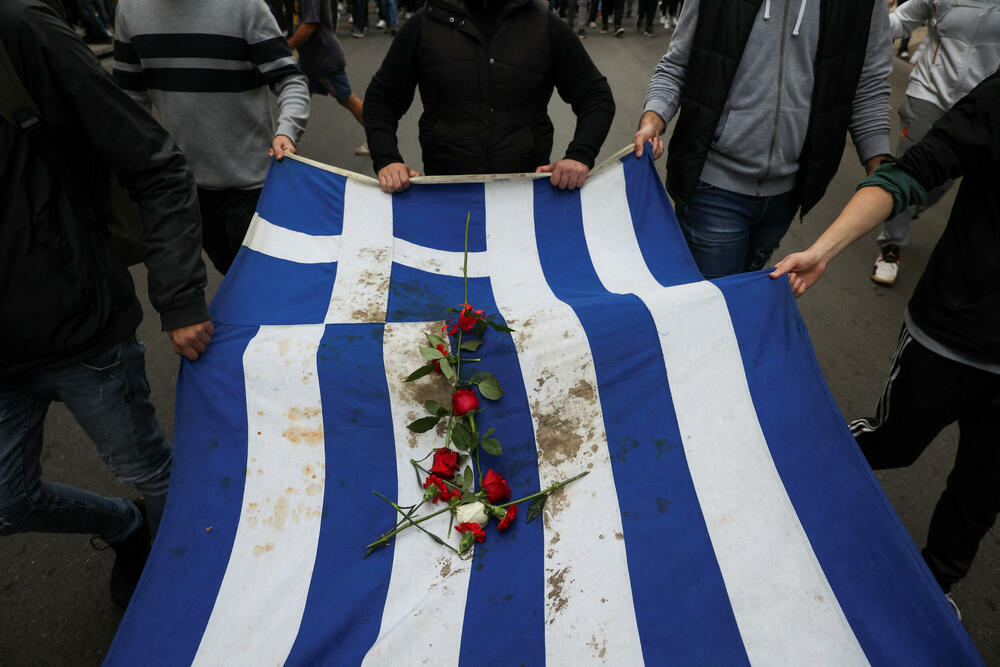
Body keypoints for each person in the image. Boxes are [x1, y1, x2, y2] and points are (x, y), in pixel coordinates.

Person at [0, 0, 213, 608]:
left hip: (81, 333)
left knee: (154, 473)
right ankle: (127, 527)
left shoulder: (20, 32)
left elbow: (156, 164)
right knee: (7, 502)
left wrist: (178, 298)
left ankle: (196, 594)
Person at [770, 70, 1000, 616]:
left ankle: (933, 589)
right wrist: (823, 249)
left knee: (980, 494)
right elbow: (915, 170)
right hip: (950, 334)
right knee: (894, 443)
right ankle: (795, 461)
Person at [634, 0, 893, 279]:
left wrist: (880, 170)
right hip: (713, 184)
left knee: (743, 300)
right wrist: (653, 118)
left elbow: (869, 85)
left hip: (787, 194)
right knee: (716, 308)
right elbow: (677, 65)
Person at [113, 0, 310, 275]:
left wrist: (286, 132)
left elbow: (291, 80)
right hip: (186, 190)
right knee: (231, 276)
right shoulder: (130, 9)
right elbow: (129, 102)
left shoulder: (246, 6)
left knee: (267, 285)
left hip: (254, 188)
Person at [363, 0, 616, 194]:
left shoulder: (544, 26)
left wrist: (579, 156)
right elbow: (382, 99)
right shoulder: (426, 24)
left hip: (524, 195)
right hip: (446, 192)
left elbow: (595, 95)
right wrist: (387, 160)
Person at [869, 0, 1000, 286]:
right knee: (909, 171)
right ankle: (891, 248)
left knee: (939, 183)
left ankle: (895, 207)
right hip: (927, 93)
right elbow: (898, 23)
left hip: (975, 105)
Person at [286, 0, 369, 156]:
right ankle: (287, 141)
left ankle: (377, 137)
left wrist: (285, 47)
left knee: (348, 100)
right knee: (299, 98)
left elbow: (308, 26)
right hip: (309, 60)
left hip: (323, 60)